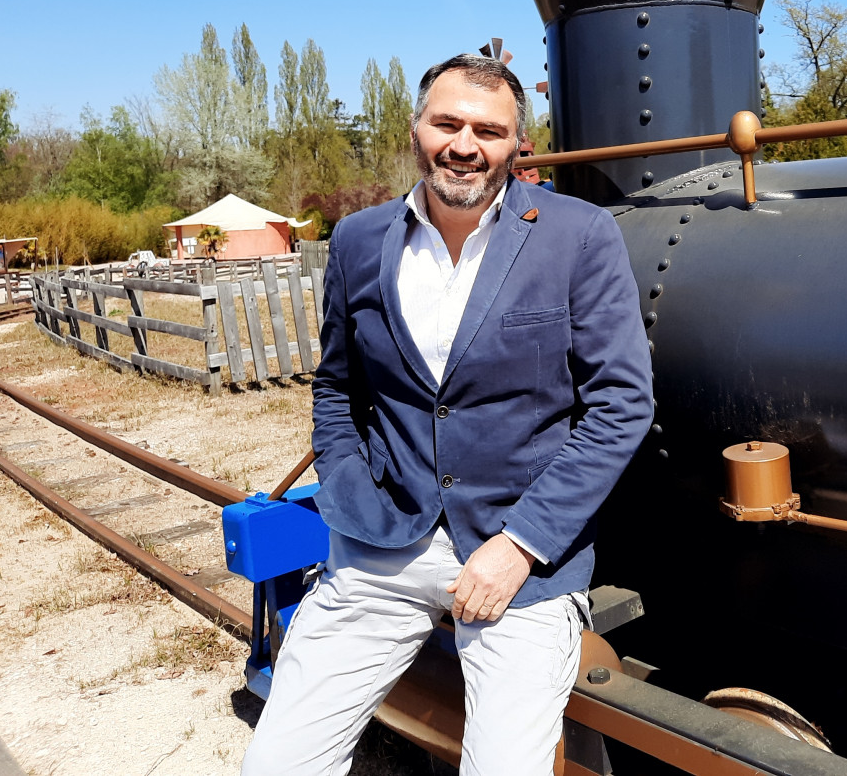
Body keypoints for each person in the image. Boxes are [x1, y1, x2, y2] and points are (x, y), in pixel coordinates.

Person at [242, 54, 652, 776]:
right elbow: (338, 387)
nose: (465, 145)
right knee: (278, 764)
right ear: (417, 128)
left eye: (489, 131)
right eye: (448, 123)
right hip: (382, 543)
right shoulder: (359, 241)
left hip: (518, 561)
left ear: (517, 144)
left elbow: (621, 405)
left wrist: (522, 544)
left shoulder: (578, 235)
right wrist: (347, 491)